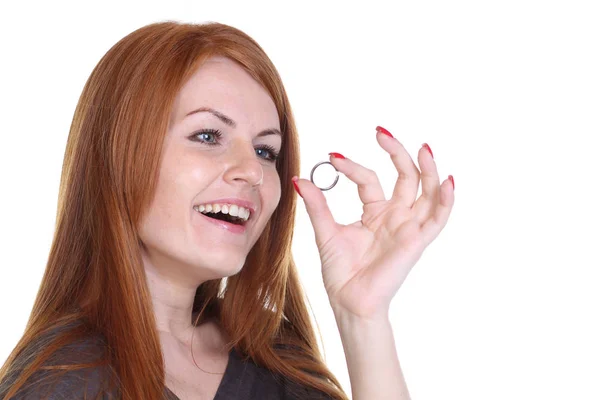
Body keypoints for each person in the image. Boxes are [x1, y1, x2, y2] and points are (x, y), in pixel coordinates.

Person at [0, 21, 455, 400]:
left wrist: (364, 318)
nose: (252, 173)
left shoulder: (281, 363)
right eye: (207, 136)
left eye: (264, 150)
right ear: (118, 158)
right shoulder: (60, 383)